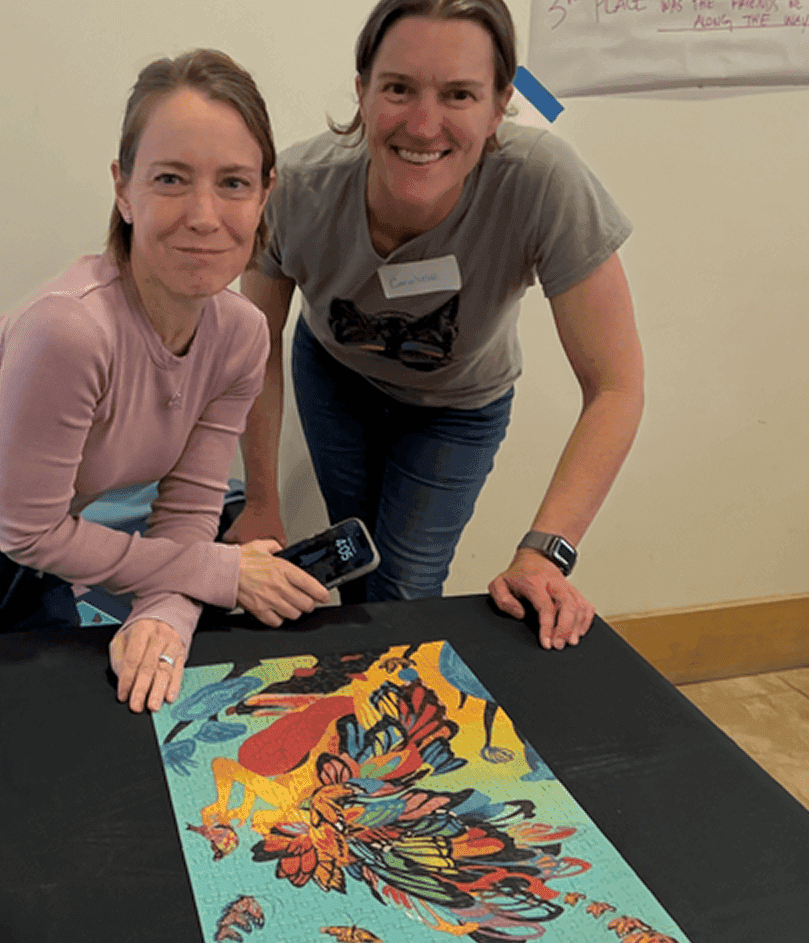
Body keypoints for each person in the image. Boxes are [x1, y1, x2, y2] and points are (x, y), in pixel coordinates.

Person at [0, 49, 327, 792]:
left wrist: (165, 613)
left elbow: (191, 505)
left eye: (233, 183)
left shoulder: (240, 335)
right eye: (170, 178)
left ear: (266, 195)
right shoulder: (68, 330)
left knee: (55, 772)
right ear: (124, 190)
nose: (203, 214)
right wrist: (217, 574)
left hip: (28, 558)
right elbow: (29, 528)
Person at [223, 0, 644, 650]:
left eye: (459, 94)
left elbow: (616, 386)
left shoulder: (544, 184)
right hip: (334, 378)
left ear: (499, 103)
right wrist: (260, 500)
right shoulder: (297, 189)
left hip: (460, 405)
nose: (424, 125)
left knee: (408, 584)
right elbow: (251, 349)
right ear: (362, 91)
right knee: (355, 561)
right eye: (398, 89)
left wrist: (545, 551)